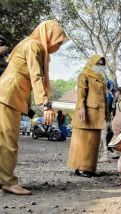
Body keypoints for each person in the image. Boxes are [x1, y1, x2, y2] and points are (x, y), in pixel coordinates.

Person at [0, 20, 67, 195]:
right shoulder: (33, 46)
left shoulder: (31, 45)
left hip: (10, 94)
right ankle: (7, 182)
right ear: (48, 36)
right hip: (9, 94)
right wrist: (46, 106)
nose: (58, 46)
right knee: (8, 141)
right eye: (57, 41)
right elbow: (36, 76)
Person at [67, 54, 108, 178]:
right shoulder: (84, 75)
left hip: (98, 115)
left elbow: (104, 98)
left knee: (93, 143)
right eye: (98, 63)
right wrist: (81, 108)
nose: (100, 66)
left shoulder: (101, 79)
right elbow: (81, 94)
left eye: (102, 64)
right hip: (86, 114)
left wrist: (107, 112)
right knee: (82, 142)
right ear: (92, 63)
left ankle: (89, 168)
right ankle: (80, 168)